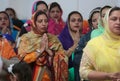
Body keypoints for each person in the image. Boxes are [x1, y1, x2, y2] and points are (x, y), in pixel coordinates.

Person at [18, 11, 68, 81]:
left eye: (46, 21)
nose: (44, 24)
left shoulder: (53, 38)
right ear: (34, 23)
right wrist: (40, 51)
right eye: (40, 21)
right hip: (31, 75)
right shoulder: (26, 38)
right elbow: (22, 60)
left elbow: (63, 57)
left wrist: (49, 52)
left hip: (51, 75)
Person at [79, 6, 120, 81]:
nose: (118, 22)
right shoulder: (94, 44)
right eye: (114, 19)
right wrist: (106, 76)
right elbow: (83, 71)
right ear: (106, 21)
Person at [73, 7, 101, 81]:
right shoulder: (85, 38)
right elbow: (77, 59)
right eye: (94, 21)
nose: (97, 23)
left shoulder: (113, 36)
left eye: (100, 19)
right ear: (91, 24)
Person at [58, 11, 83, 81]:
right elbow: (60, 58)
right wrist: (75, 45)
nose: (77, 22)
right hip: (66, 74)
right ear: (68, 23)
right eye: (73, 20)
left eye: (79, 20)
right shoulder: (61, 39)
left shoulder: (85, 38)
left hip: (82, 74)